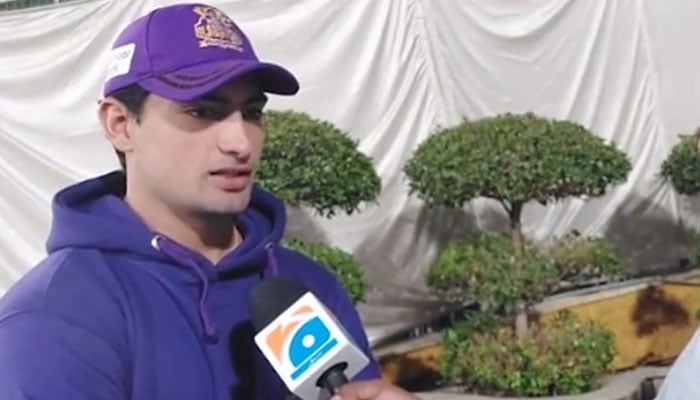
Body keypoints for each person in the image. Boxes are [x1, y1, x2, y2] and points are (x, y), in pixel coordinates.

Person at [0, 3, 421, 400]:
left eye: (251, 113)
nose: (241, 143)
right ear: (121, 124)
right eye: (202, 112)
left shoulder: (308, 288)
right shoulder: (54, 318)